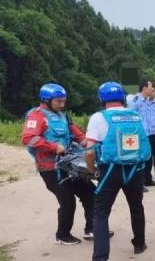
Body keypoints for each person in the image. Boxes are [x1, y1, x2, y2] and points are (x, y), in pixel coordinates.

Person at [85, 82, 150, 261]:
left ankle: (100, 259)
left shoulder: (98, 118)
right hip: (134, 169)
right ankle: (139, 243)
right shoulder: (135, 115)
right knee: (136, 206)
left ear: (102, 99)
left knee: (100, 213)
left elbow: (89, 150)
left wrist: (92, 169)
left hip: (110, 169)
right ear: (122, 97)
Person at [21, 83, 98, 245]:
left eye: (64, 101)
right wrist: (54, 147)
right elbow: (28, 138)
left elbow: (77, 135)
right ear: (46, 100)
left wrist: (90, 143)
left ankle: (92, 229)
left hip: (70, 165)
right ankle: (62, 235)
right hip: (50, 168)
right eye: (59, 101)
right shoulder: (37, 116)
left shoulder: (63, 116)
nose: (62, 104)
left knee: (91, 192)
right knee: (67, 200)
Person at [129, 79, 155, 187]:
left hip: (151, 133)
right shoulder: (135, 101)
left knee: (149, 158)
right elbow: (130, 118)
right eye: (151, 87)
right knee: (141, 159)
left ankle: (148, 180)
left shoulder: (147, 101)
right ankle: (139, 183)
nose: (153, 89)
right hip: (141, 134)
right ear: (144, 88)